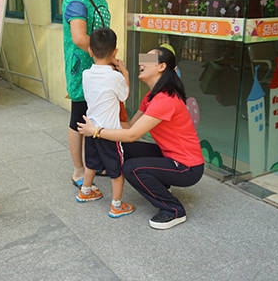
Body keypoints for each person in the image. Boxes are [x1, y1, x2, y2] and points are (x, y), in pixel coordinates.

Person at [78, 47, 204, 230]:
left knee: (132, 168)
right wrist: (100, 118)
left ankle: (173, 210)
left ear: (161, 67)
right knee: (121, 149)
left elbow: (131, 135)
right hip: (169, 155)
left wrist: (96, 131)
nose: (141, 62)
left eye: (148, 59)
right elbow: (129, 126)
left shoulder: (165, 100)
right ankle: (161, 182)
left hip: (187, 167)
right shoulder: (151, 96)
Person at [62, 0, 118, 187]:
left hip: (101, 65)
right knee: (79, 117)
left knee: (98, 115)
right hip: (84, 67)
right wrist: (107, 57)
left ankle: (96, 163)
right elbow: (79, 37)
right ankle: (78, 169)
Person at [75, 28, 134, 218]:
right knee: (116, 169)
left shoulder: (86, 74)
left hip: (90, 128)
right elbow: (124, 95)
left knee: (91, 163)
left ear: (90, 51)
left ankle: (85, 191)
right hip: (108, 133)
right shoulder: (115, 77)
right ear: (115, 52)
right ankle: (116, 204)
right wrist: (124, 71)